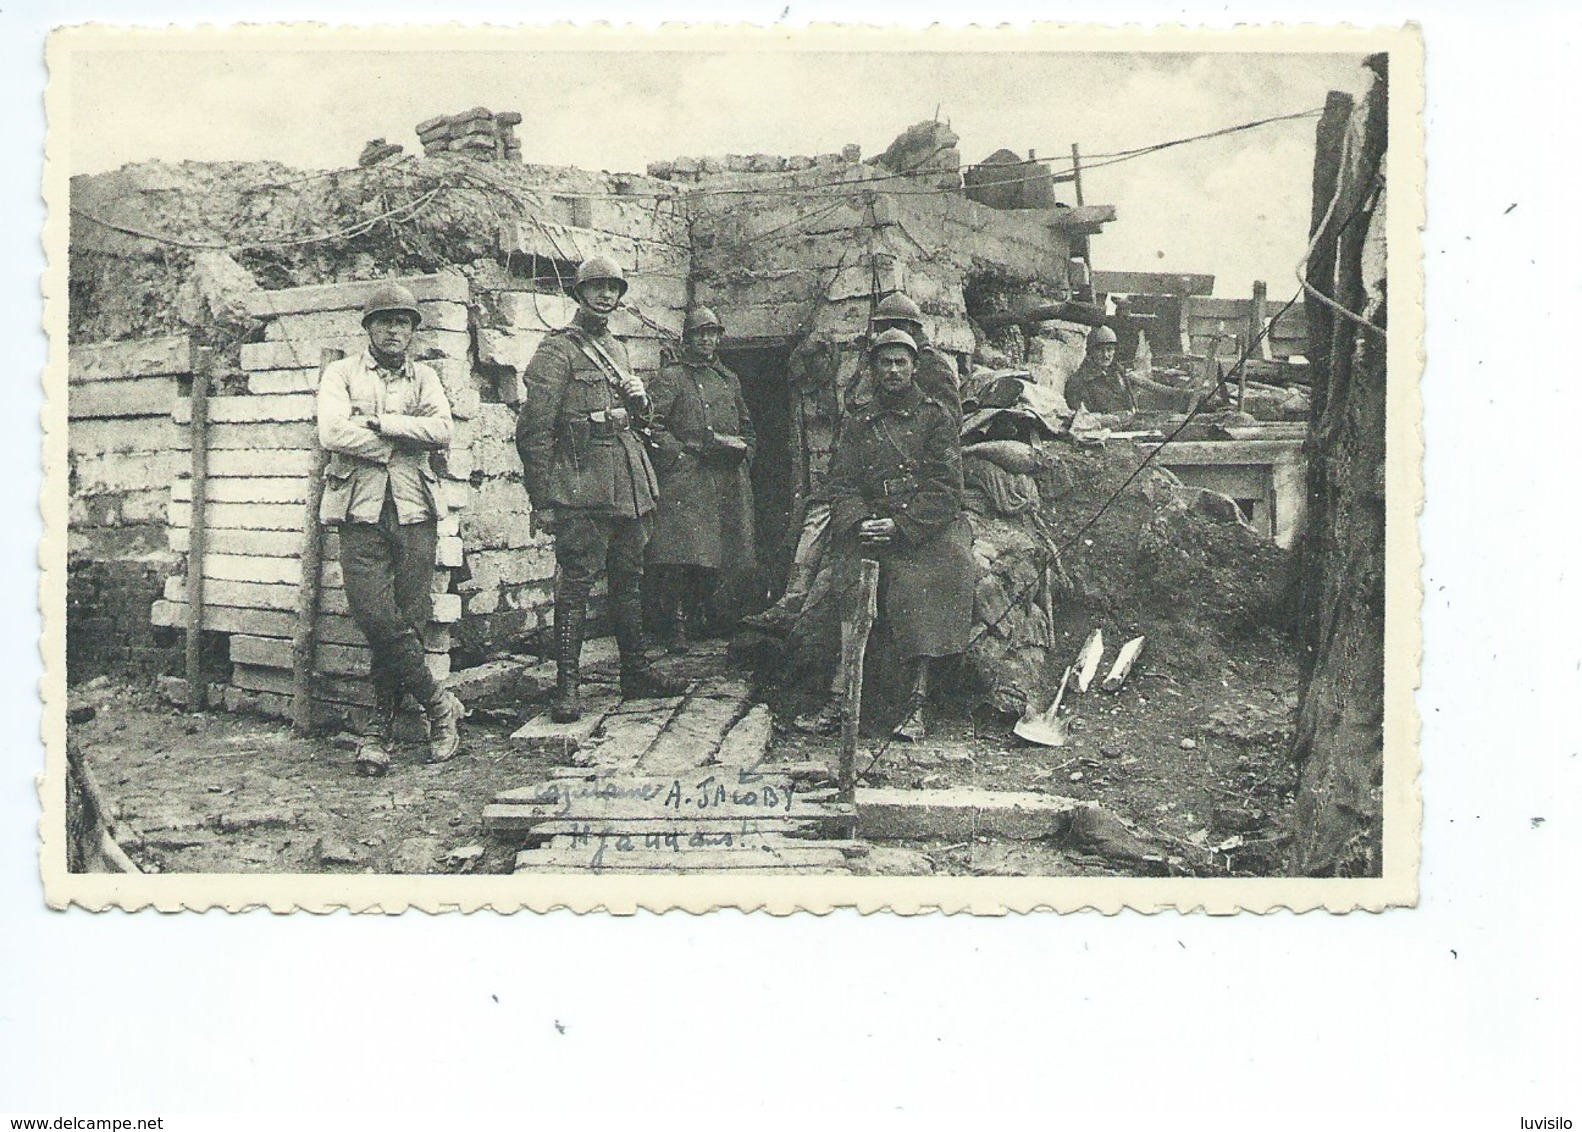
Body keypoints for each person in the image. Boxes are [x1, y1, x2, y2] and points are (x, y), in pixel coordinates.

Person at [515, 255, 687, 723]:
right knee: (575, 587)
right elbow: (534, 431)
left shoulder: (619, 348)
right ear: (579, 293)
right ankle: (567, 688)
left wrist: (641, 401)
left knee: (629, 581)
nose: (606, 296)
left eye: (613, 288)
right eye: (596, 288)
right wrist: (542, 498)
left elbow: (641, 420)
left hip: (629, 483)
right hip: (582, 485)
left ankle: (635, 672)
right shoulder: (556, 352)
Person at [744, 292, 961, 633]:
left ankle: (797, 599)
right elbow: (859, 405)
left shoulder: (931, 367)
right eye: (882, 327)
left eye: (893, 326)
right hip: (866, 455)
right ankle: (793, 596)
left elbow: (946, 422)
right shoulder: (874, 361)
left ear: (910, 329)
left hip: (909, 466)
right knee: (818, 507)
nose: (886, 336)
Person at [316, 282, 465, 774]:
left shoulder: (425, 378)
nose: (393, 330)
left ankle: (378, 732)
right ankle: (441, 707)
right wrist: (399, 436)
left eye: (403, 322)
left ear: (413, 331)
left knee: (408, 618)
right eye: (384, 321)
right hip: (360, 510)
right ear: (368, 328)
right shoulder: (341, 373)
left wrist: (381, 422)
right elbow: (332, 431)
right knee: (376, 617)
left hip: (415, 511)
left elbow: (442, 429)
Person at [812, 329, 974, 741]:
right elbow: (841, 483)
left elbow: (946, 487)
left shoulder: (935, 417)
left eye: (902, 362)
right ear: (874, 368)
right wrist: (860, 520)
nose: (894, 370)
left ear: (915, 367)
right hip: (870, 525)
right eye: (886, 362)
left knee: (931, 578)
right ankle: (841, 698)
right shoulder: (858, 423)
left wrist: (902, 527)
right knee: (847, 584)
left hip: (921, 528)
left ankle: (917, 704)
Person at [647, 307, 757, 653]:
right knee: (682, 552)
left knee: (723, 550)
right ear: (686, 338)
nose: (707, 340)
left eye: (712, 333)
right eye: (699, 334)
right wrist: (677, 455)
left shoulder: (727, 379)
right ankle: (676, 624)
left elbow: (747, 426)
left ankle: (706, 617)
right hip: (688, 475)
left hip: (726, 475)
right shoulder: (671, 377)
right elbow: (653, 424)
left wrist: (745, 453)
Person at [843, 291, 962, 418]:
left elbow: (952, 418)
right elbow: (853, 402)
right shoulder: (878, 358)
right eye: (883, 326)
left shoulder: (930, 362)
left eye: (896, 325)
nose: (890, 331)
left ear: (911, 327)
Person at [1063, 324, 1137, 415]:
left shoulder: (1117, 372)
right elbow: (1081, 418)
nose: (1106, 355)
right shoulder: (1079, 381)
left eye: (1109, 349)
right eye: (1100, 350)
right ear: (1091, 352)